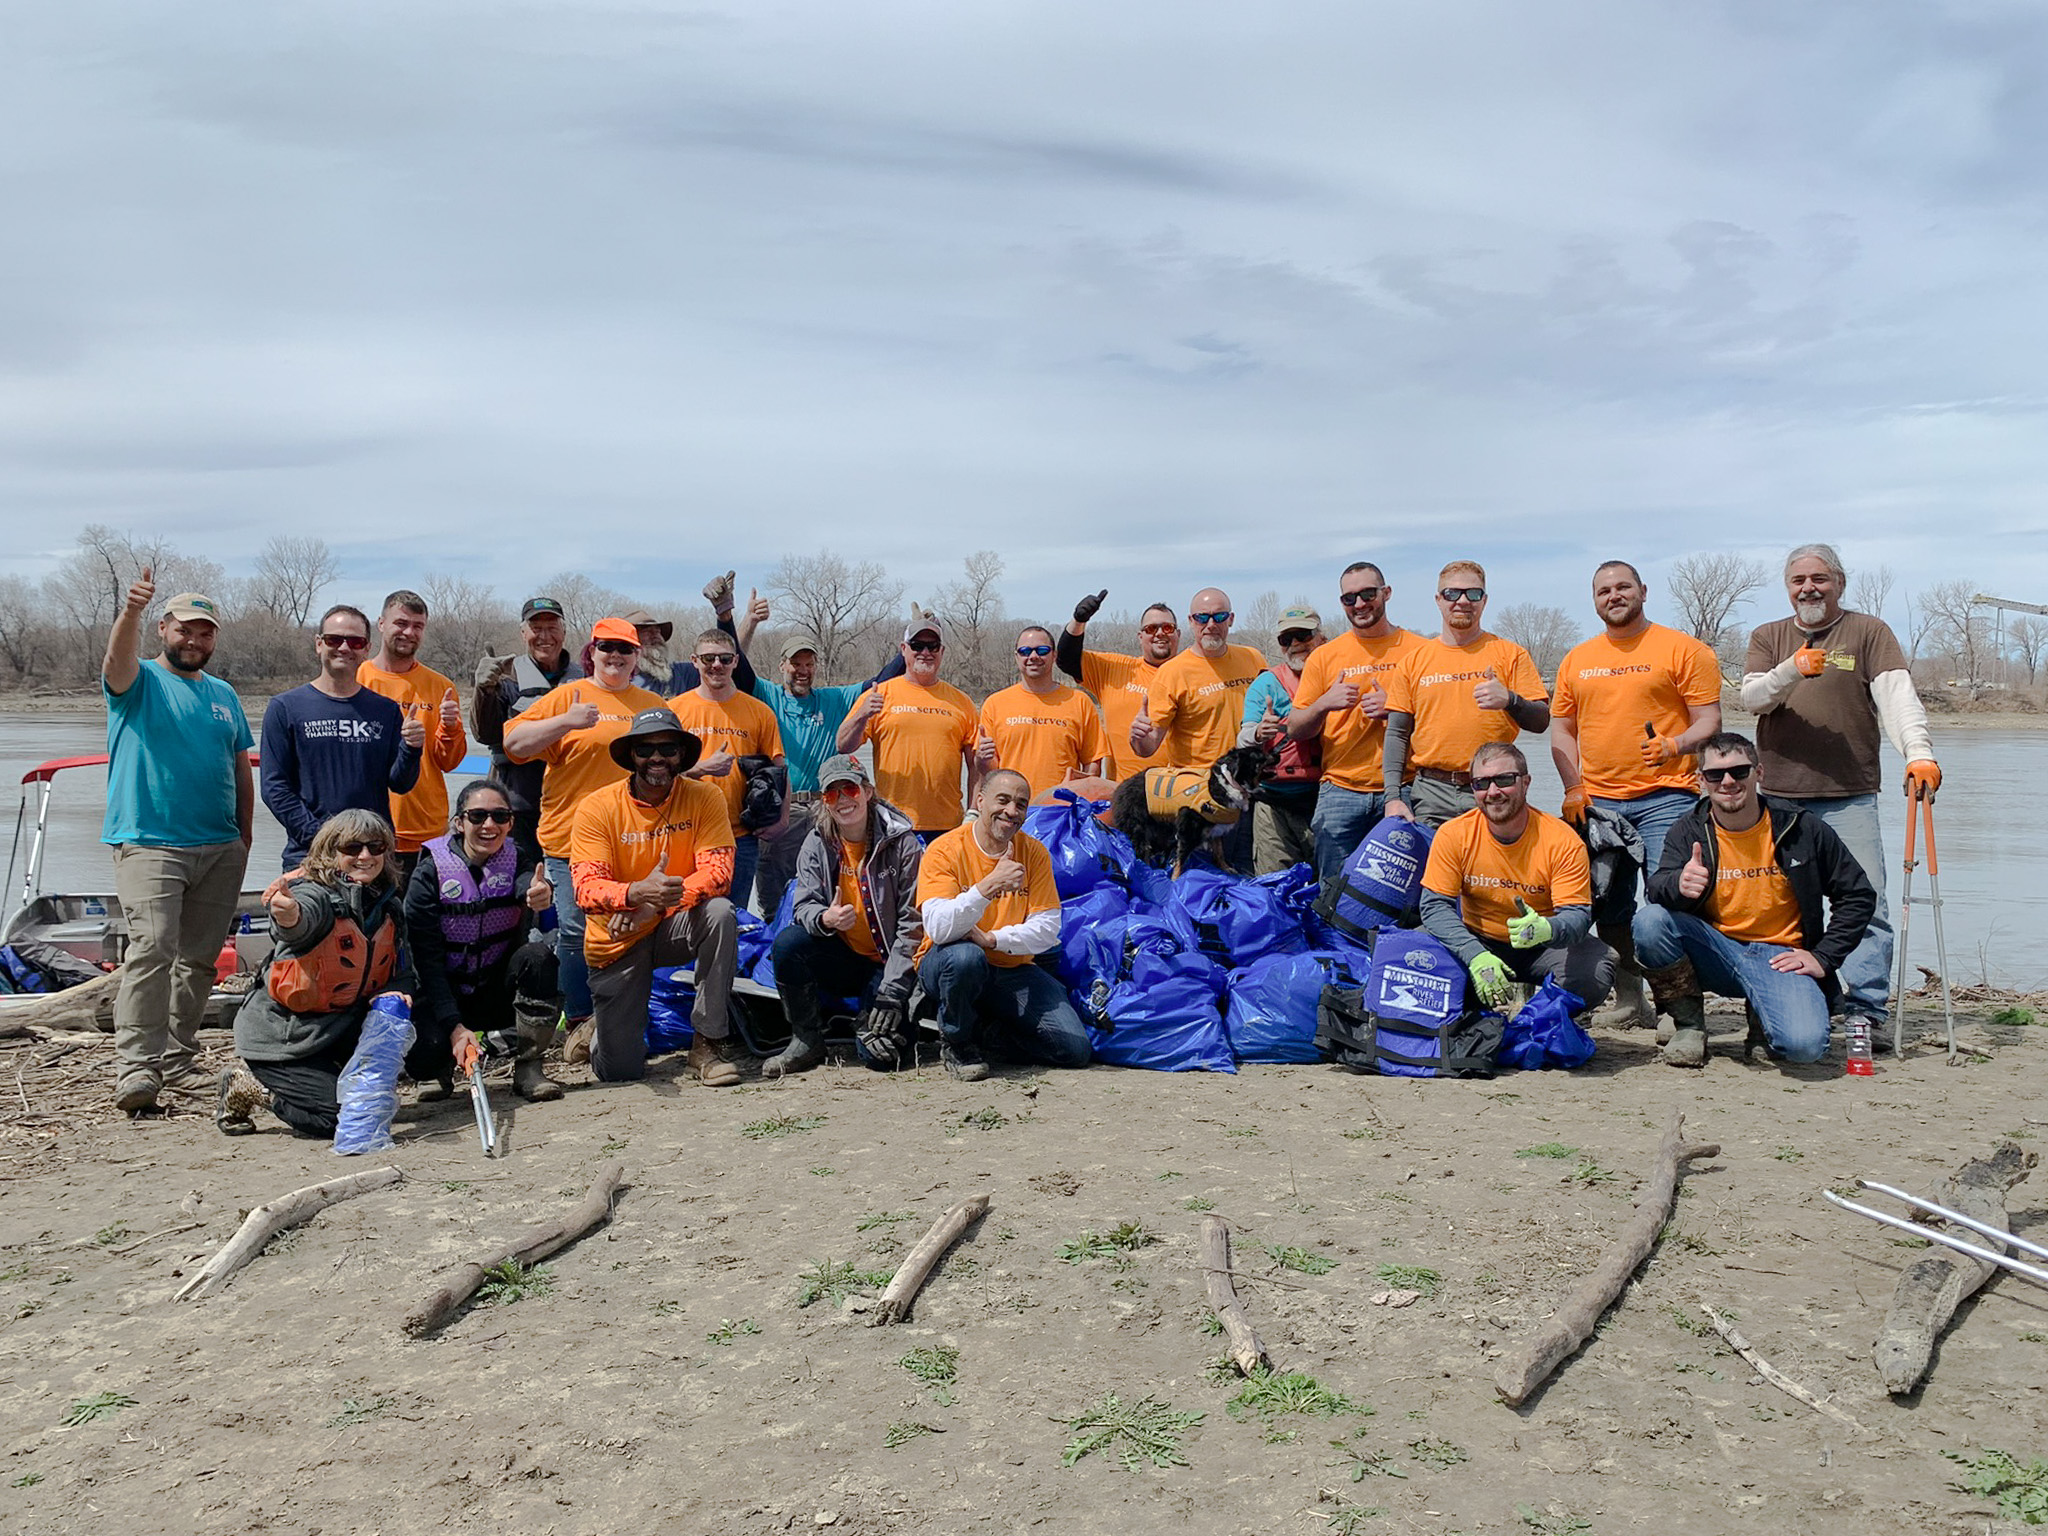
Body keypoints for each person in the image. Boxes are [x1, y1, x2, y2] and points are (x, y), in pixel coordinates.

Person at [1742, 543, 1939, 1044]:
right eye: (1798, 580)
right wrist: (1792, 668)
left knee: (1866, 901)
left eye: (1819, 579)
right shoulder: (1769, 636)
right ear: (1787, 588)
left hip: (1850, 795)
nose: (1808, 588)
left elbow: (1897, 698)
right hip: (1780, 799)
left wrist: (1919, 753)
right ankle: (1801, 996)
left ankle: (1867, 1007)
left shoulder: (1868, 631)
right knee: (1783, 906)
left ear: (1839, 583)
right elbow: (1752, 699)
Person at [99, 568, 254, 1116]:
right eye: (184, 630)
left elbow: (239, 766)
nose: (194, 640)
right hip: (148, 841)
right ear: (164, 629)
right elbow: (114, 666)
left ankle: (180, 1054)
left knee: (200, 960)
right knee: (152, 948)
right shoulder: (137, 682)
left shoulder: (223, 695)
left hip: (219, 846)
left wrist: (243, 837)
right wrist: (129, 613)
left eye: (205, 632)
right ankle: (137, 1066)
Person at [1550, 561, 1724, 1028]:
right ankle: (1631, 1000)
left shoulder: (1684, 649)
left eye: (1623, 586)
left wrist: (1674, 745)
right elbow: (1561, 730)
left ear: (1643, 591)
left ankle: (1676, 1005)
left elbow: (1709, 721)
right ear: (1595, 599)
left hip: (1668, 795)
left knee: (1669, 899)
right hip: (1599, 802)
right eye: (1603, 589)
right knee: (1608, 902)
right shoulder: (1577, 659)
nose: (1614, 595)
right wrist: (1573, 786)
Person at [1636, 733, 1876, 1067]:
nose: (1728, 781)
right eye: (1716, 774)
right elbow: (1657, 888)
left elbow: (1858, 895)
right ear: (1700, 780)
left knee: (1804, 1049)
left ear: (1759, 773)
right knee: (1649, 922)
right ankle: (1689, 1025)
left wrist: (1823, 957)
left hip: (1781, 957)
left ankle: (1762, 1020)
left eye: (1740, 771)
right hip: (1715, 950)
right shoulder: (1687, 829)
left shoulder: (1802, 827)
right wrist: (1678, 883)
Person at [503, 618, 667, 1039]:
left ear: (636, 658)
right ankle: (578, 1018)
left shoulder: (653, 704)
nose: (615, 656)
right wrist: (566, 722)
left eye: (625, 649)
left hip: (635, 839)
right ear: (591, 652)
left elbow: (670, 765)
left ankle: (628, 1016)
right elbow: (514, 744)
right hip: (571, 838)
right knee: (577, 930)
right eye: (606, 647)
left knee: (633, 927)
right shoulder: (568, 696)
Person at [216, 810, 418, 1139]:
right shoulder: (316, 895)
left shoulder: (388, 905)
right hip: (284, 1040)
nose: (365, 856)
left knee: (380, 1098)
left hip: (335, 1031)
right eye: (352, 848)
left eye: (376, 847)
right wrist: (289, 915)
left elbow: (402, 972)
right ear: (330, 852)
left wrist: (397, 992)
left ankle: (329, 1078)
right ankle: (247, 1087)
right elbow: (298, 923)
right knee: (344, 1121)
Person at [569, 707, 743, 1086]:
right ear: (631, 756)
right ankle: (597, 1031)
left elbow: (718, 874)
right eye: (645, 750)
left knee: (720, 913)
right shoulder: (597, 807)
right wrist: (633, 894)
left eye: (668, 748)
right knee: (621, 1072)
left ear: (682, 755)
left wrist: (655, 907)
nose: (657, 758)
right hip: (617, 937)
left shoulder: (705, 797)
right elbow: (585, 889)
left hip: (669, 926)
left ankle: (707, 1045)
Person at [915, 769, 1090, 1081]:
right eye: (1003, 800)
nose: (1011, 811)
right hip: (948, 964)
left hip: (1009, 966)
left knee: (1074, 1049)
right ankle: (957, 1042)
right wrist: (987, 887)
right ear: (980, 801)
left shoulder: (1033, 853)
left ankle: (989, 1034)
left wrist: (992, 939)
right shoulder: (944, 849)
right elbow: (940, 929)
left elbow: (1048, 929)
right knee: (965, 957)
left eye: (1021, 804)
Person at [1418, 743, 1614, 1015]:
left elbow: (1578, 916)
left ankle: (1535, 1019)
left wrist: (1548, 928)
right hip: (1480, 940)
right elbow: (1434, 906)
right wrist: (1474, 954)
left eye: (1505, 780)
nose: (1493, 792)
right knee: (1415, 954)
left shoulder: (1562, 840)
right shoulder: (1453, 834)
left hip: (1540, 947)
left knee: (1595, 968)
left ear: (1526, 783)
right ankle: (1473, 1008)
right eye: (1481, 783)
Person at [761, 755, 925, 1077]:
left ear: (867, 791)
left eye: (849, 788)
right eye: (832, 794)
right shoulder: (816, 842)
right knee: (788, 944)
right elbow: (803, 906)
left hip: (889, 962)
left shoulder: (902, 844)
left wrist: (892, 992)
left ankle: (875, 1017)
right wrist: (826, 919)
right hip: (844, 956)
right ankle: (806, 1039)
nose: (843, 800)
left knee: (881, 1059)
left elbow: (913, 924)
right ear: (824, 801)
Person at [402, 779, 565, 1103]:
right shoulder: (428, 873)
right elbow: (426, 962)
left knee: (539, 957)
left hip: (495, 988)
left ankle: (529, 1065)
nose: (489, 825)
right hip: (443, 989)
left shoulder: (519, 860)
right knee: (424, 1056)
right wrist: (453, 1026)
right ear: (459, 823)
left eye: (500, 816)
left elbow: (527, 889)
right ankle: (439, 1068)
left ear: (510, 823)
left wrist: (539, 895)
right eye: (477, 816)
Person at [738, 633, 904, 921]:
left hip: (824, 807)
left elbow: (882, 680)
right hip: (780, 812)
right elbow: (739, 670)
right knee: (773, 896)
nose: (802, 670)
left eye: (809, 663)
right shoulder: (767, 695)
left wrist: (907, 646)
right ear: (782, 666)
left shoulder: (834, 699)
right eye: (795, 663)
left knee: (828, 884)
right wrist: (729, 618)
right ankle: (773, 950)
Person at [1382, 562, 1549, 829]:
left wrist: (1509, 700)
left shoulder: (1510, 654)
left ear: (1484, 601)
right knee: (1436, 871)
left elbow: (1541, 722)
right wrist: (1392, 797)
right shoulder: (1413, 662)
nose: (1462, 601)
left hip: (1493, 790)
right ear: (1438, 600)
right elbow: (1397, 733)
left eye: (1472, 594)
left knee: (1494, 872)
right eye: (1452, 593)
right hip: (1430, 793)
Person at [1287, 561, 1424, 879]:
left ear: (1386, 593)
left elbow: (1441, 721)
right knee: (1334, 891)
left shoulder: (1421, 651)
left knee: (1404, 893)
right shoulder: (1324, 656)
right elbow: (1295, 728)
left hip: (1407, 787)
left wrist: (1397, 708)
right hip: (1340, 792)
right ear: (1342, 603)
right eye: (1350, 598)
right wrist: (1324, 704)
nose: (1360, 604)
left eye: (1367, 593)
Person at [260, 604, 424, 870]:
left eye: (355, 641)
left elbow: (400, 784)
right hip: (310, 855)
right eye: (334, 639)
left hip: (372, 856)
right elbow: (274, 787)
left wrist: (412, 748)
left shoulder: (385, 710)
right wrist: (323, 837)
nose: (345, 648)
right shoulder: (285, 707)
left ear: (366, 649)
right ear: (318, 644)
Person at [667, 629, 786, 911]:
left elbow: (779, 769)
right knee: (680, 917)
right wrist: (699, 769)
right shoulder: (674, 710)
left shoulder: (759, 712)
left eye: (724, 658)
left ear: (735, 661)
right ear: (694, 661)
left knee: (732, 919)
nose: (716, 665)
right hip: (683, 834)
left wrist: (781, 819)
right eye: (709, 658)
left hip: (739, 838)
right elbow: (655, 774)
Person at [357, 590, 468, 882]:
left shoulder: (440, 686)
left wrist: (451, 727)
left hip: (425, 829)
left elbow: (449, 762)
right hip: (366, 829)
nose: (409, 632)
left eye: (418, 626)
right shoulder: (357, 678)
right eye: (401, 623)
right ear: (381, 623)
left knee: (420, 923)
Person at [836, 616, 981, 838]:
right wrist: (862, 715)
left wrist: (973, 813)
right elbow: (843, 745)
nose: (925, 652)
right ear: (904, 650)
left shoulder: (962, 702)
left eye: (932, 646)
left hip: (948, 825)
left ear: (942, 651)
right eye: (917, 646)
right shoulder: (879, 694)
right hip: (891, 821)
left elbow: (976, 766)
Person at [470, 596, 582, 866]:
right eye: (536, 628)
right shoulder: (506, 676)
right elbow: (486, 735)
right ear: (523, 634)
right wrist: (484, 690)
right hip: (518, 803)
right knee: (519, 888)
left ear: (564, 632)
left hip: (571, 806)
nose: (545, 636)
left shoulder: (584, 678)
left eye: (552, 628)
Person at [1238, 606, 1325, 875]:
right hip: (1272, 801)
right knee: (1274, 884)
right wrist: (1258, 732)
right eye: (1286, 639)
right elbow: (1243, 737)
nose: (1295, 645)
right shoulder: (1266, 684)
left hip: (1325, 800)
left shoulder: (1338, 676)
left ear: (1320, 637)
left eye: (1302, 635)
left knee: (1329, 886)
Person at [1055, 592, 1178, 780]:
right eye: (1151, 628)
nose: (1160, 633)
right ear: (1140, 636)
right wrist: (1079, 620)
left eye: (1168, 627)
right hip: (1123, 794)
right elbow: (1066, 660)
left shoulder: (1192, 674)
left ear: (1177, 633)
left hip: (1177, 792)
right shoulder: (1114, 669)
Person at [978, 625, 1110, 797]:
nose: (1033, 656)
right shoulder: (994, 704)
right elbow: (988, 770)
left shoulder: (1079, 702)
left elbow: (1092, 763)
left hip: (1060, 809)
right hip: (1011, 809)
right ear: (1016, 656)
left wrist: (1079, 799)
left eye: (1042, 650)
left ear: (1054, 655)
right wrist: (982, 760)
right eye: (1025, 651)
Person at [617, 571, 761, 698]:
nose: (656, 635)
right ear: (629, 643)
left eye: (658, 631)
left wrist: (725, 616)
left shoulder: (681, 674)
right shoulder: (617, 681)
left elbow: (727, 659)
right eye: (647, 632)